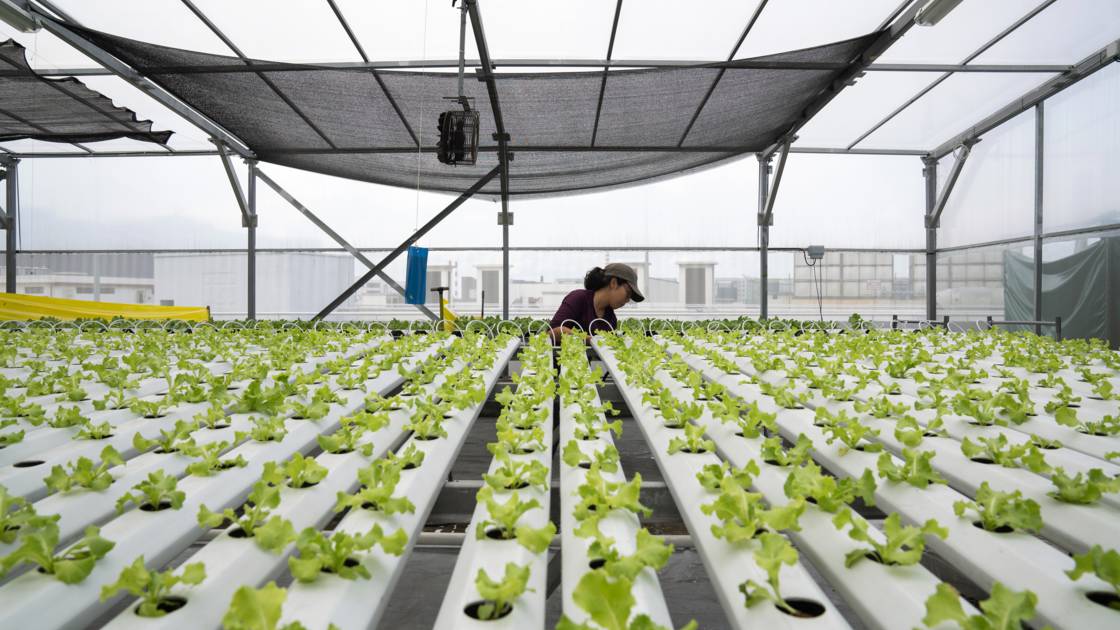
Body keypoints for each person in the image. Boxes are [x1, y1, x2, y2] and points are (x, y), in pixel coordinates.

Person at [549, 263, 645, 343]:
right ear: (614, 283)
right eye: (628, 293)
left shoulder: (611, 318)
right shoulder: (578, 298)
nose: (628, 300)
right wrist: (591, 340)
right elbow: (552, 331)